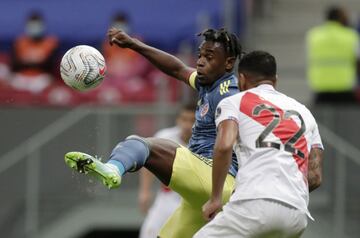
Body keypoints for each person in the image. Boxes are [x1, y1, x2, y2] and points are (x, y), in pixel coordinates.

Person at [64, 28, 242, 238]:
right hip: (204, 195)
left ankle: (113, 168)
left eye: (209, 57)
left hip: (214, 180)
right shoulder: (209, 83)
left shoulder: (227, 93)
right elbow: (176, 68)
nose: (201, 62)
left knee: (140, 145)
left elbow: (227, 143)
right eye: (200, 56)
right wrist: (134, 44)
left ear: (228, 63)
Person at [194, 51, 324, 238]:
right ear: (275, 79)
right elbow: (315, 176)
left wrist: (215, 198)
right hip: (297, 214)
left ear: (241, 78)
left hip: (254, 203)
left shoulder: (234, 102)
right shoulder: (305, 113)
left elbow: (224, 146)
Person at [138, 103, 195, 238]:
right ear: (178, 120)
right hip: (167, 196)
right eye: (184, 119)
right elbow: (148, 161)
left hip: (192, 199)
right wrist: (145, 191)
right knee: (149, 232)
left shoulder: (206, 142)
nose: (187, 125)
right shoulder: (165, 136)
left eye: (192, 121)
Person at [306, 5, 360, 104]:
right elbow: (357, 60)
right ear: (340, 17)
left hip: (320, 85)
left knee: (321, 119)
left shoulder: (313, 35)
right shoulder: (351, 35)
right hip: (345, 85)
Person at [11, 11, 59, 94]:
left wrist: (27, 62)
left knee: (40, 85)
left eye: (37, 25)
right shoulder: (19, 42)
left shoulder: (51, 42)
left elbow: (51, 66)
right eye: (32, 25)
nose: (34, 28)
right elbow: (14, 65)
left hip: (41, 78)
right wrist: (36, 62)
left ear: (42, 25)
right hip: (21, 77)